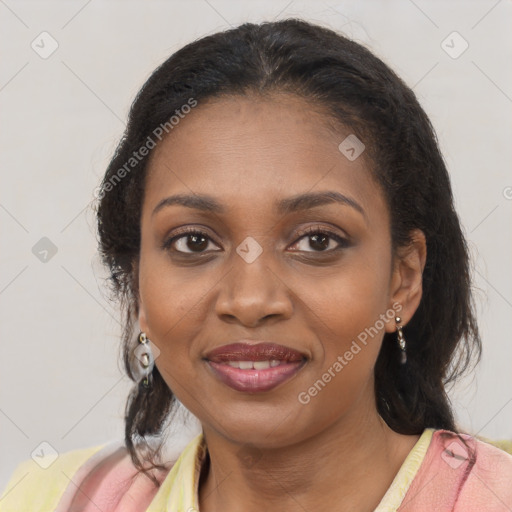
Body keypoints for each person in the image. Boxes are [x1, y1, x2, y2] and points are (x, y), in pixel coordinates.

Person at [1, 18, 512, 512]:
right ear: (137, 282)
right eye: (194, 241)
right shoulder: (57, 499)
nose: (249, 301)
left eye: (316, 241)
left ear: (402, 280)